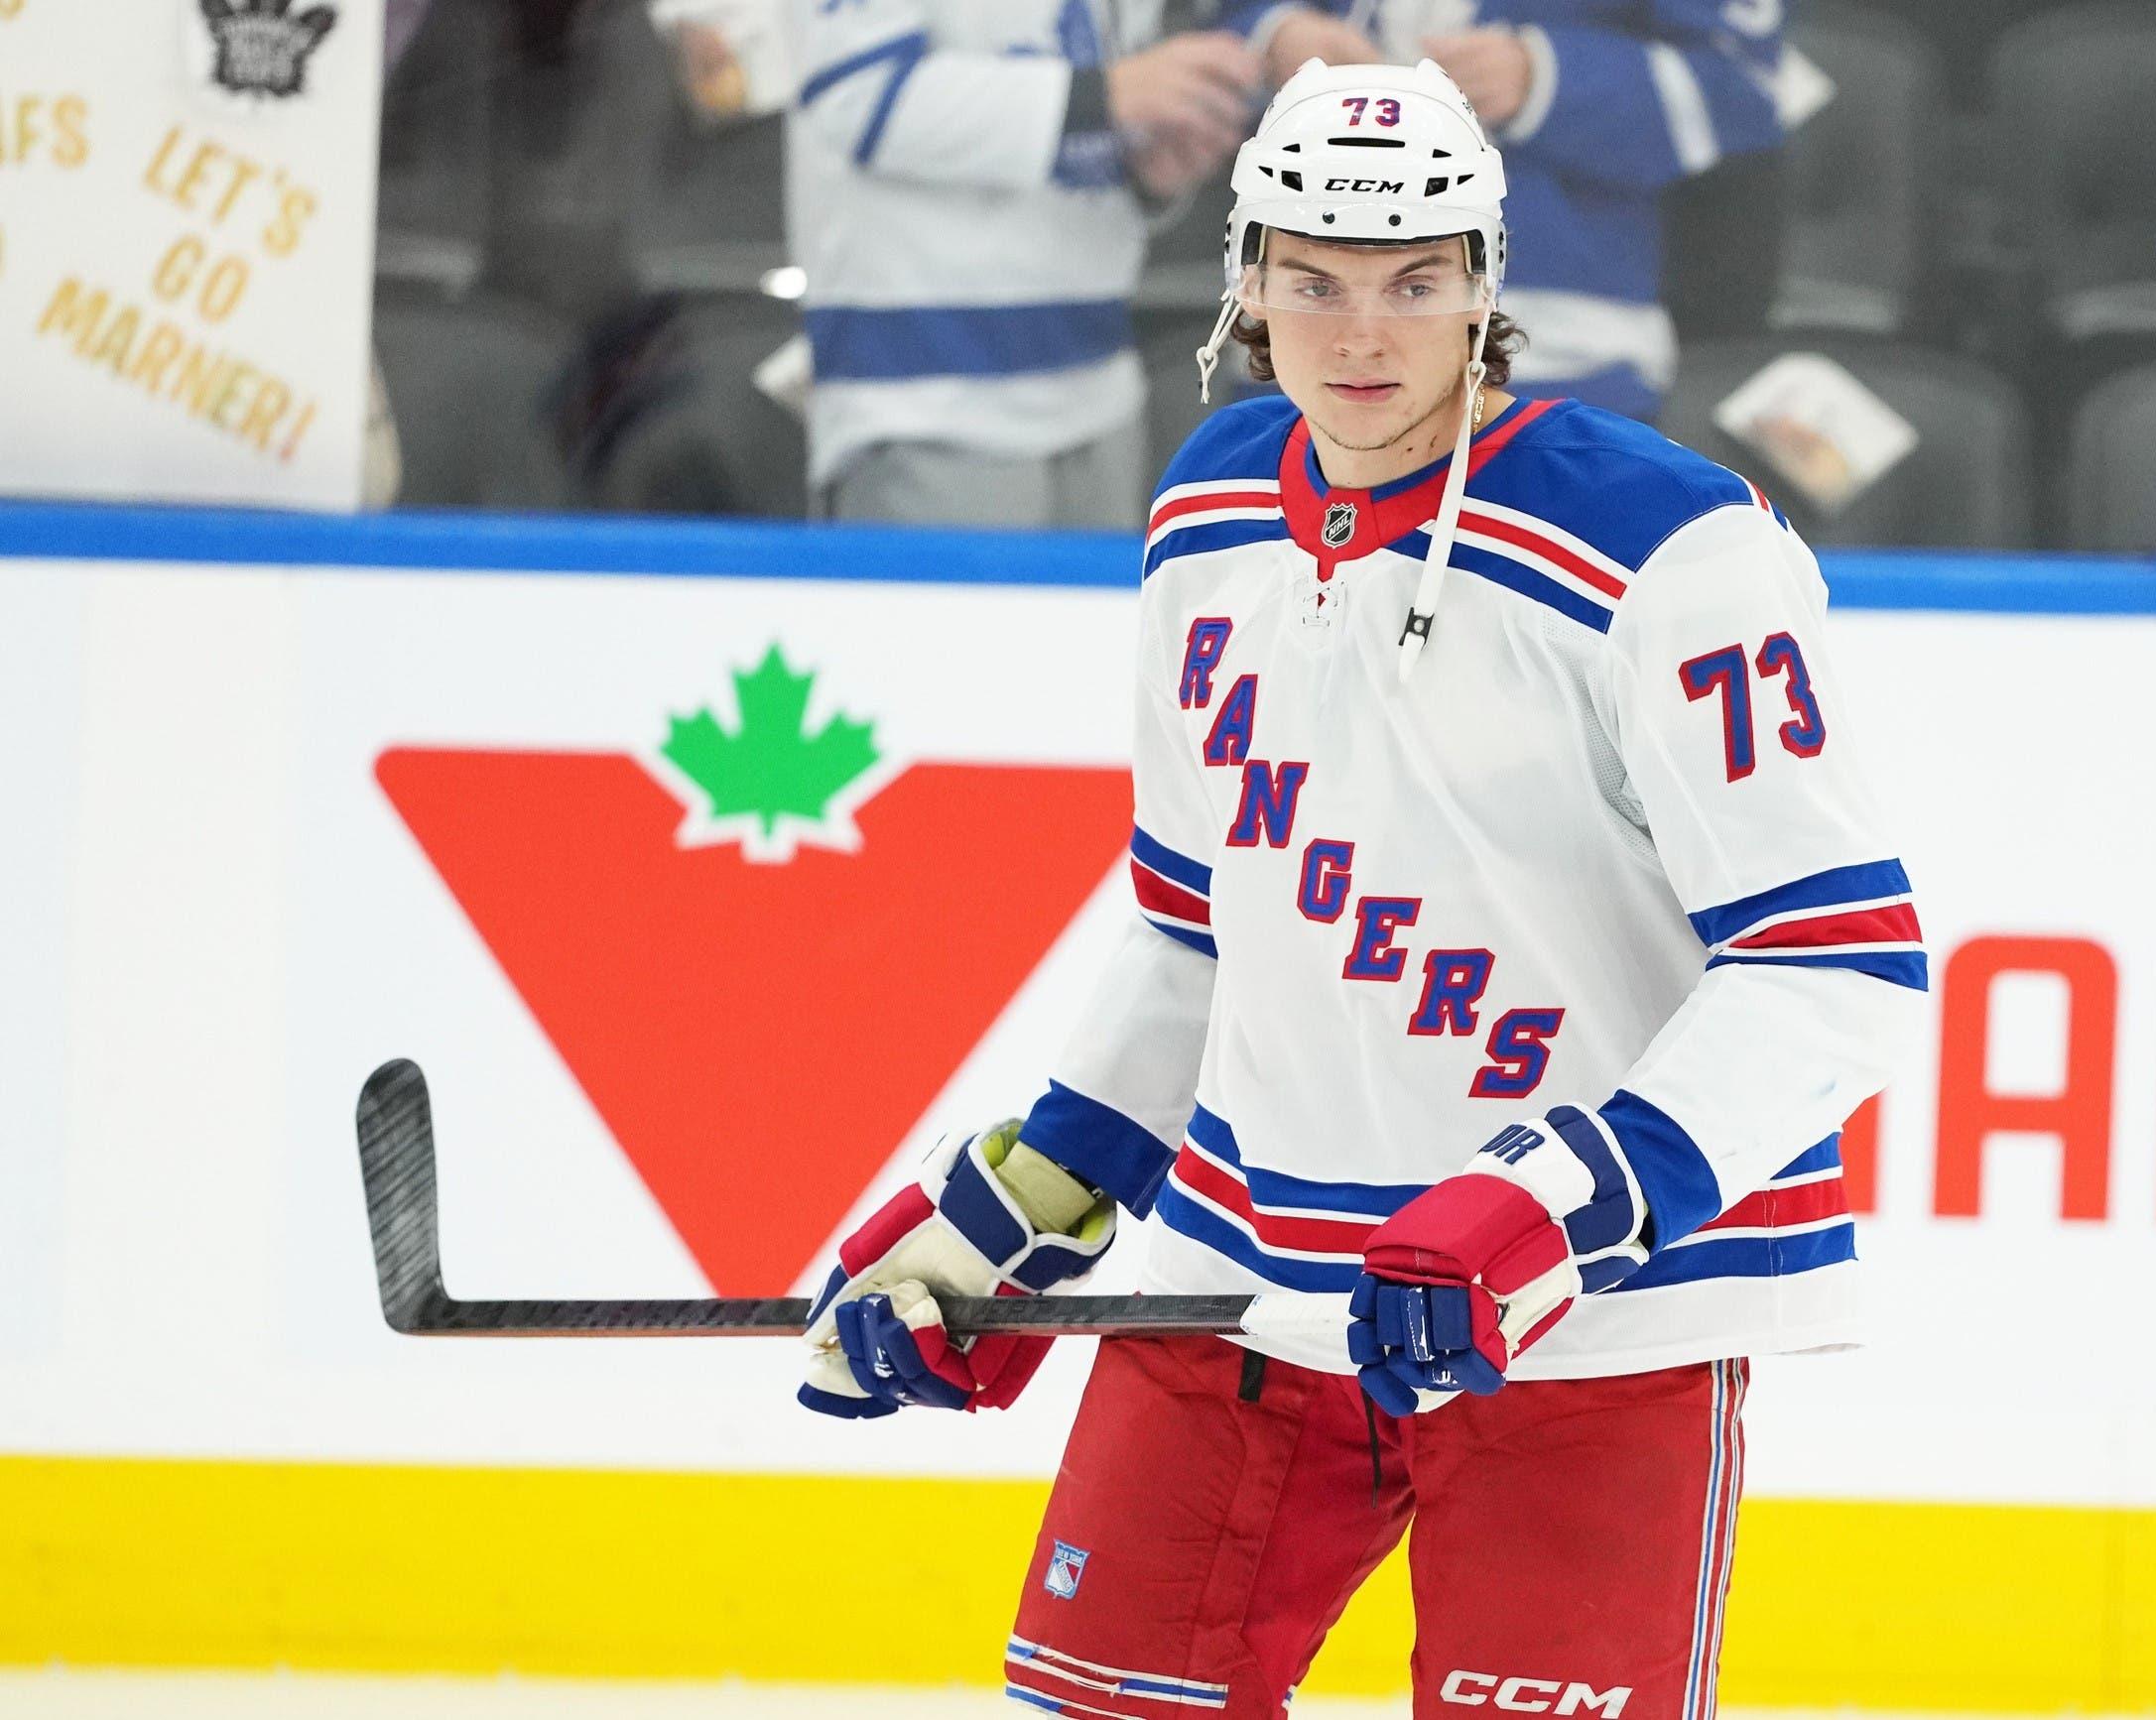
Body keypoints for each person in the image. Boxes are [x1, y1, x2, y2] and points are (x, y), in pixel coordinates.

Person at [794, 58, 1923, 1718]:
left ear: (1485, 282)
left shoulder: (1670, 551)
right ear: (1247, 283)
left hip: (1582, 1327)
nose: (1363, 332)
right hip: (1239, 1282)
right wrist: (1010, 1217)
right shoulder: (1204, 515)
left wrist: (1554, 1201)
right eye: (1312, 283)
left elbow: (1837, 962)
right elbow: (1196, 928)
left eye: (1413, 281)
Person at [787, 0, 1265, 526]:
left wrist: (1145, 168)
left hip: (1103, 380)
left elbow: (1099, 76)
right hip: (923, 397)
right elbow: (856, 91)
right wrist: (1110, 94)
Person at [1205, 0, 1791, 422]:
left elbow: (1742, 87)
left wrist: (1543, 77)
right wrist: (1273, 34)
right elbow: (1192, 32)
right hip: (1303, 348)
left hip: (1564, 350)